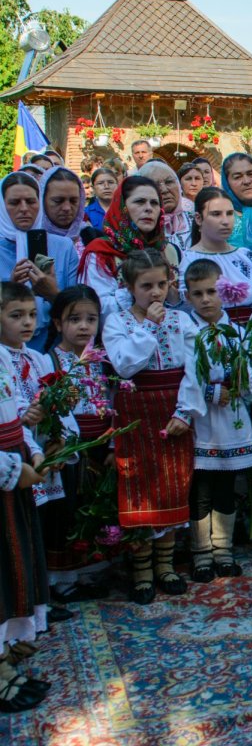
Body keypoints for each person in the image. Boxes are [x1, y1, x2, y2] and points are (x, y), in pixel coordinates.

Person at [103, 249, 205, 605]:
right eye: (146, 286)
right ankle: (142, 570)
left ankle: (165, 564)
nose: (156, 292)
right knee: (139, 487)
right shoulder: (117, 323)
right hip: (136, 411)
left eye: (161, 284)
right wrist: (148, 326)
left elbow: (195, 369)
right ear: (130, 287)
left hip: (172, 408)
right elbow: (125, 366)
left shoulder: (182, 320)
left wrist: (185, 412)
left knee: (174, 484)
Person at [182, 259, 252, 582]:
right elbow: (184, 375)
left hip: (231, 421)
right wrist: (211, 392)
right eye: (197, 294)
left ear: (224, 291)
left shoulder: (238, 332)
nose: (205, 300)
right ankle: (201, 553)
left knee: (226, 486)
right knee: (201, 489)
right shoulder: (187, 332)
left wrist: (241, 384)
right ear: (187, 297)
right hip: (202, 423)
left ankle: (223, 549)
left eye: (211, 291)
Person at [42, 286, 110, 603]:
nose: (84, 326)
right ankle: (63, 579)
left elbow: (112, 399)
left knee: (93, 508)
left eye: (91, 319)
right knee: (66, 511)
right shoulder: (50, 361)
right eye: (74, 319)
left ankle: (89, 572)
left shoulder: (102, 360)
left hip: (99, 444)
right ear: (58, 323)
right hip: (68, 450)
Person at [0, 310, 50, 714]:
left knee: (13, 563)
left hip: (12, 466)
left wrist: (32, 450)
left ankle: (5, 646)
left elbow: (14, 409)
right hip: (5, 472)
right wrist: (12, 471)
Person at [78, 175, 177, 318]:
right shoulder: (101, 253)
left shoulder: (170, 251)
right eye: (140, 202)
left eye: (154, 203)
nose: (149, 208)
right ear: (122, 207)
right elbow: (96, 308)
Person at [0, 172, 79, 349]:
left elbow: (80, 311)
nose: (24, 209)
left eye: (31, 201)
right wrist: (10, 291)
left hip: (52, 349)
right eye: (14, 202)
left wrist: (53, 294)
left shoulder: (63, 247)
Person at [177, 187, 252, 324]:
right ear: (198, 218)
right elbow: (185, 309)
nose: (225, 221)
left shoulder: (246, 256)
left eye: (229, 213)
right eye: (216, 214)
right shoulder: (187, 261)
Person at [136, 159, 193, 246]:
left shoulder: (197, 221)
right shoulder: (137, 228)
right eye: (155, 184)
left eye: (169, 182)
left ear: (178, 185)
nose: (164, 190)